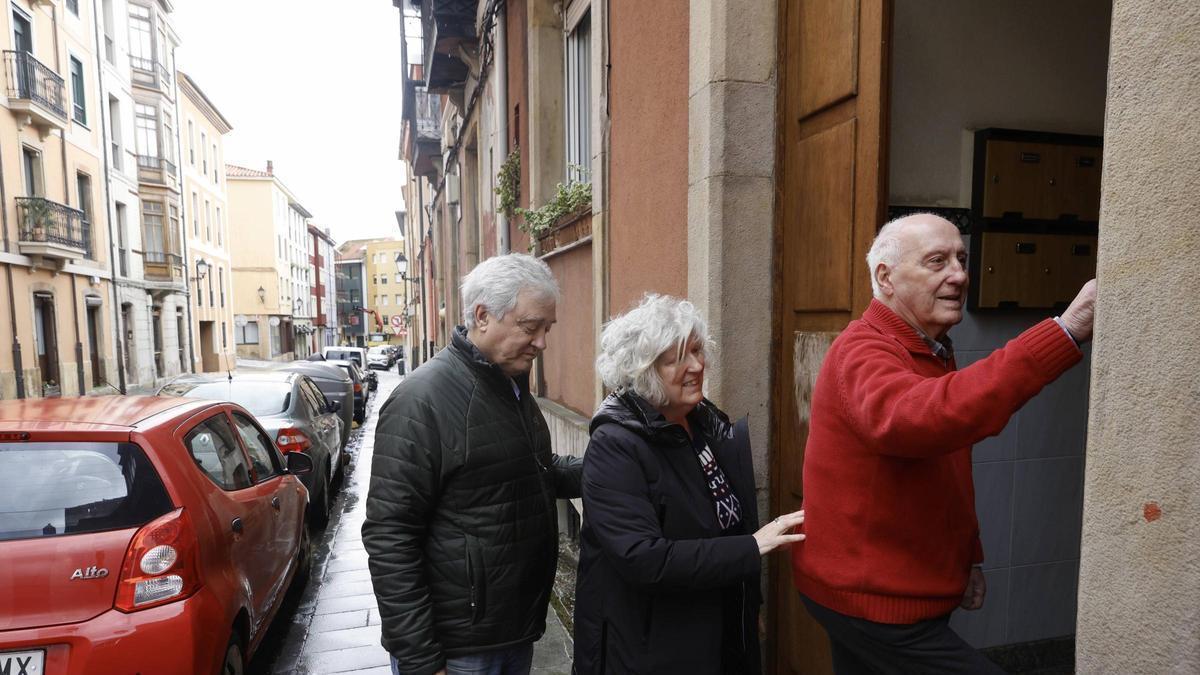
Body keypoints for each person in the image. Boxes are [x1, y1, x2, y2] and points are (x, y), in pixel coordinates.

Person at [791, 213, 1097, 673]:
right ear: (885, 277)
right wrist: (1063, 331)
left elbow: (945, 471)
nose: (958, 274)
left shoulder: (929, 348)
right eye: (936, 261)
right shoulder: (863, 350)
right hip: (872, 603)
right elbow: (925, 417)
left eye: (960, 259)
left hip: (889, 594)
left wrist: (967, 558)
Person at [363, 253, 583, 675]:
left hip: (512, 632)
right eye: (531, 326)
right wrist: (421, 660)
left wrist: (607, 466)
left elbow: (529, 471)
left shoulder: (509, 384)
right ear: (482, 316)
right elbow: (391, 535)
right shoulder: (421, 399)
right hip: (458, 650)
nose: (542, 342)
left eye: (546, 328)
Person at [573, 294, 806, 674]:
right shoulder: (615, 444)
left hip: (716, 630)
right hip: (653, 648)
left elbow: (730, 523)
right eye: (677, 358)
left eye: (697, 351)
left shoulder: (705, 424)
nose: (697, 366)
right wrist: (750, 547)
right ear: (643, 370)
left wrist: (748, 608)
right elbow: (643, 559)